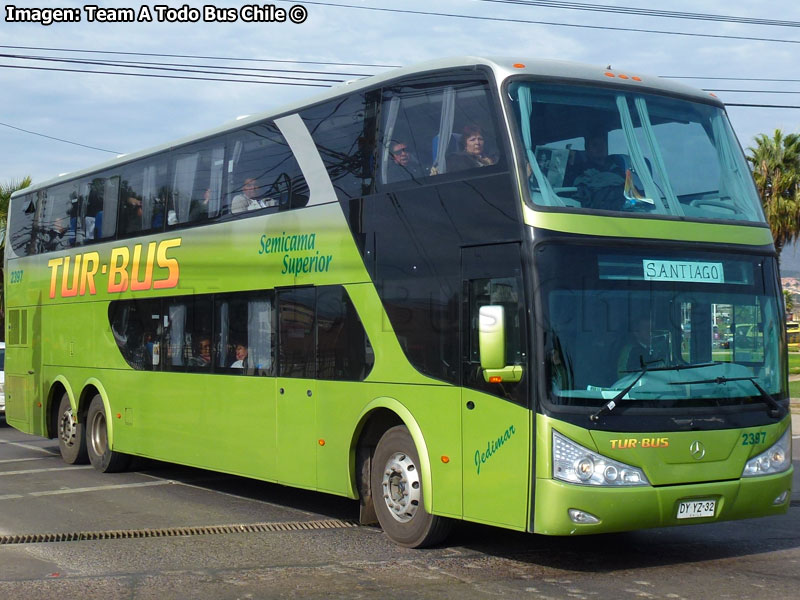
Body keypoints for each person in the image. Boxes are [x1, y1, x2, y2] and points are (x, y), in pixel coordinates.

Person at [565, 131, 626, 210]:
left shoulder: (617, 170)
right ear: (587, 150)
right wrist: (569, 166)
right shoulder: (580, 171)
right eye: (595, 145)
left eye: (602, 144)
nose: (600, 148)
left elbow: (632, 192)